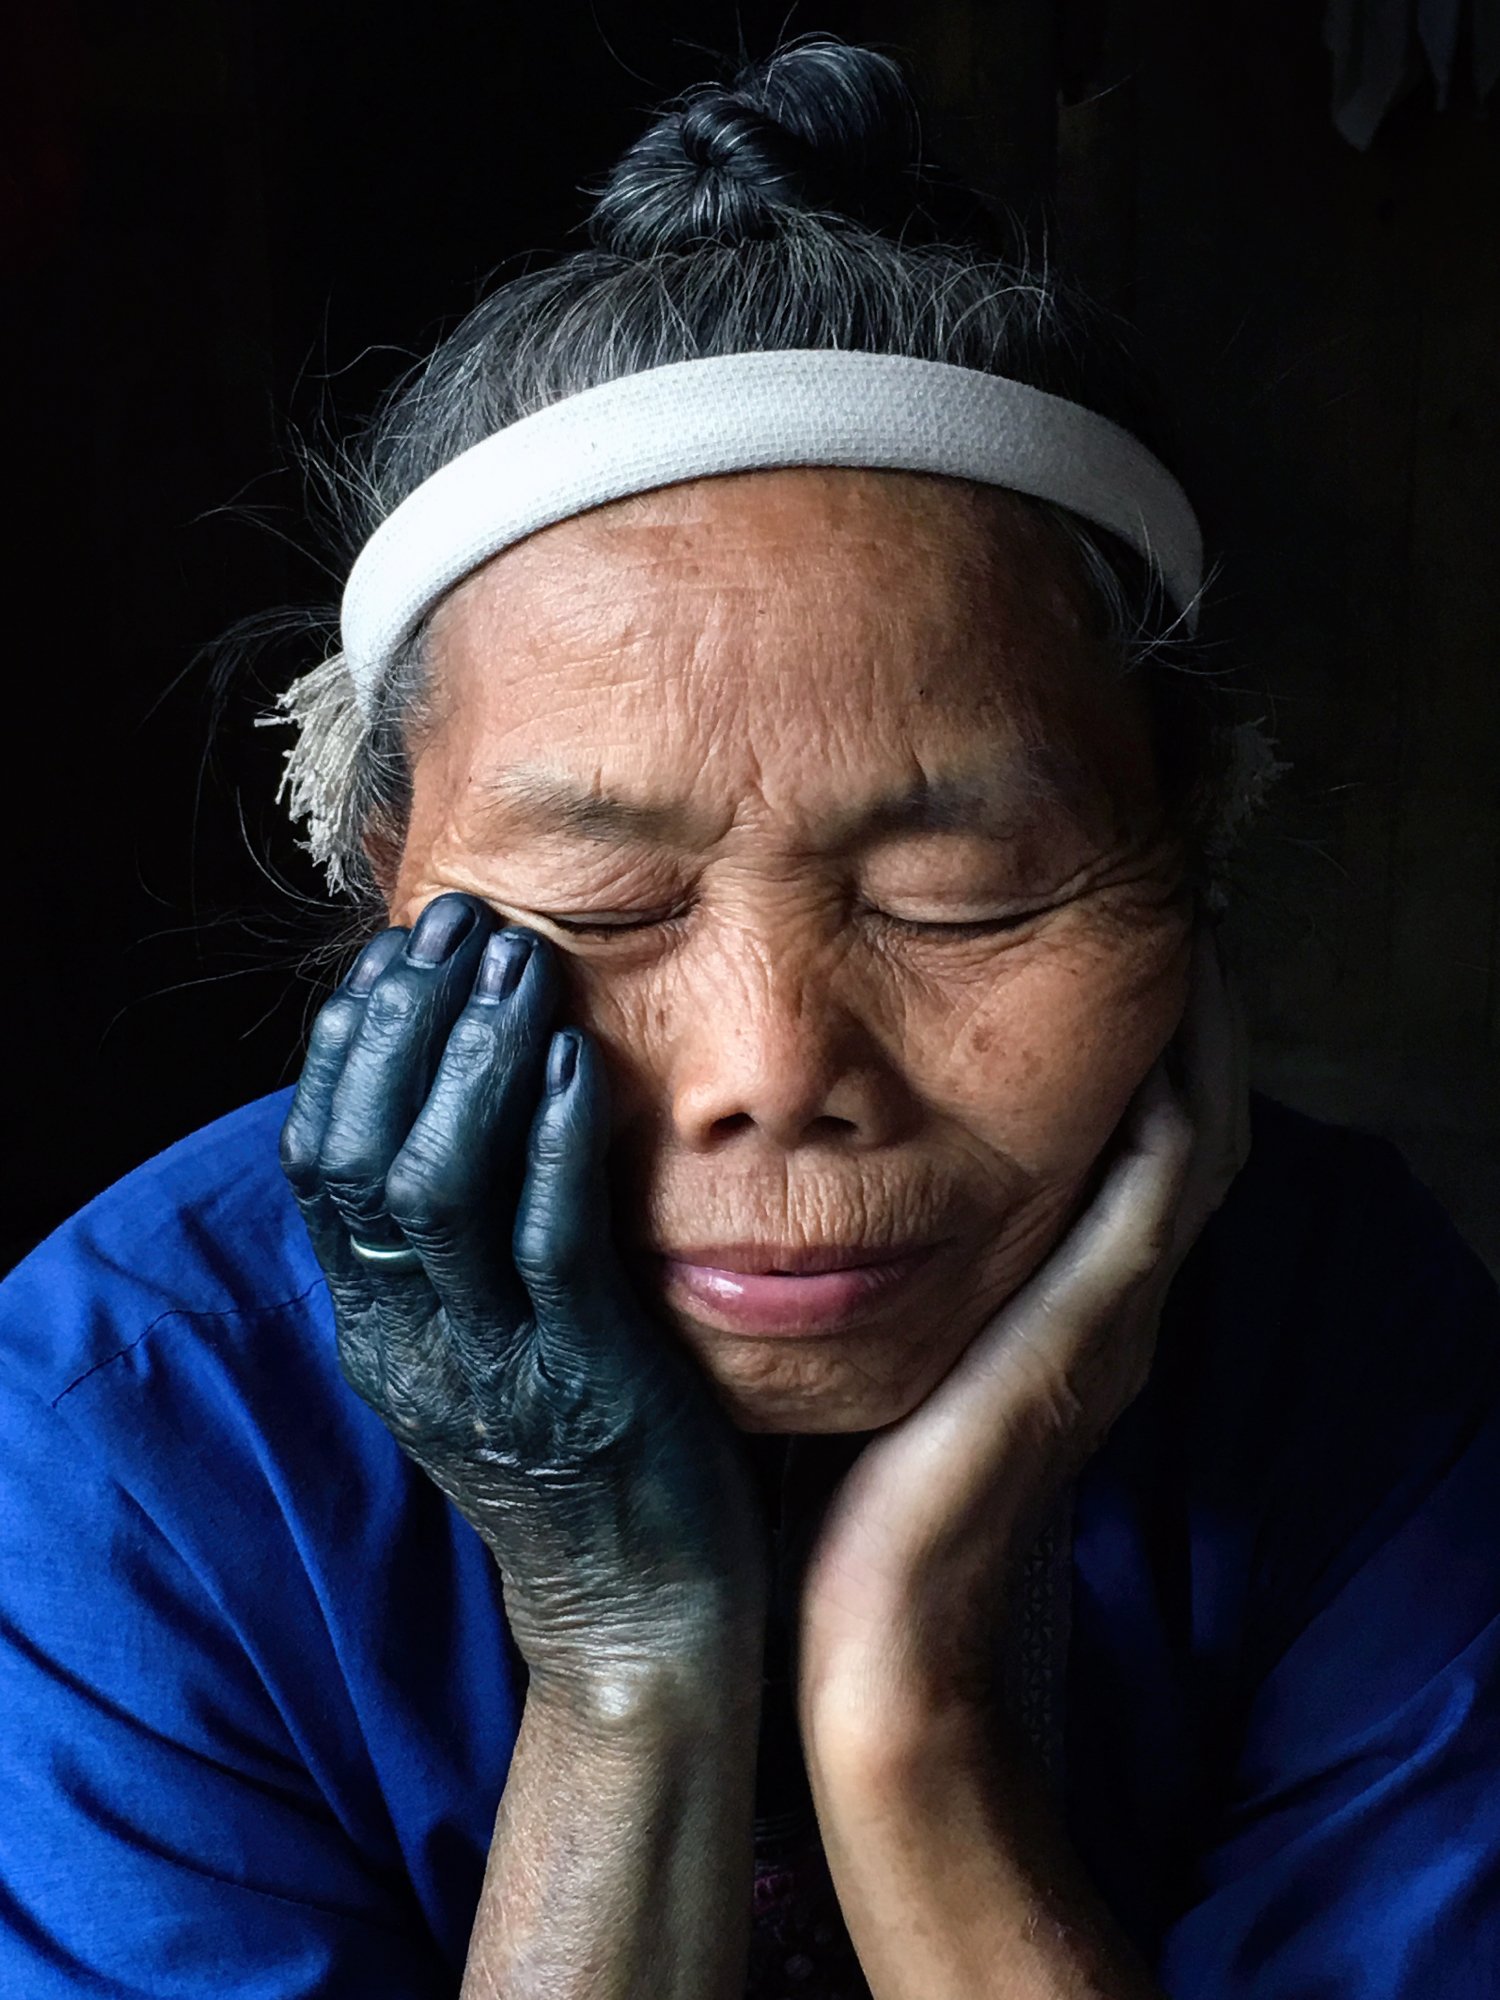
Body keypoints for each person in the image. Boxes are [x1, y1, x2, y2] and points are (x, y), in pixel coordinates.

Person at [3, 32, 1499, 2000]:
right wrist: (624, 1653)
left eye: (965, 896)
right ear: (379, 884)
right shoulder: (132, 1420)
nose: (777, 1071)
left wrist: (909, 1697)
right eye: (602, 905)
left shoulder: (1355, 1351)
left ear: (1193, 850)